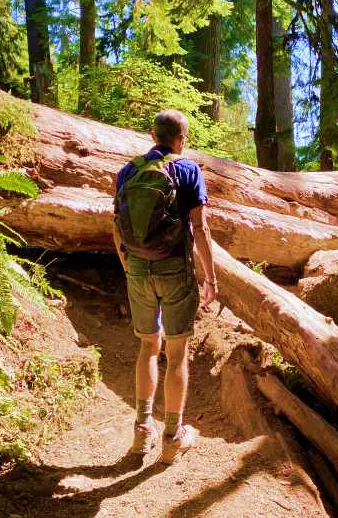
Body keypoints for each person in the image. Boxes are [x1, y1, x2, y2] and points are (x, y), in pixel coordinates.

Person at [113, 109, 217, 464]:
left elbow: (115, 223)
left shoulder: (129, 171)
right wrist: (211, 278)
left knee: (147, 346)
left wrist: (128, 263)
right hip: (175, 269)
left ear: (152, 135)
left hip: (139, 268)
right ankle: (172, 437)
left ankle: (142, 430)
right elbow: (200, 229)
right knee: (176, 354)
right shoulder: (188, 170)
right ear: (182, 139)